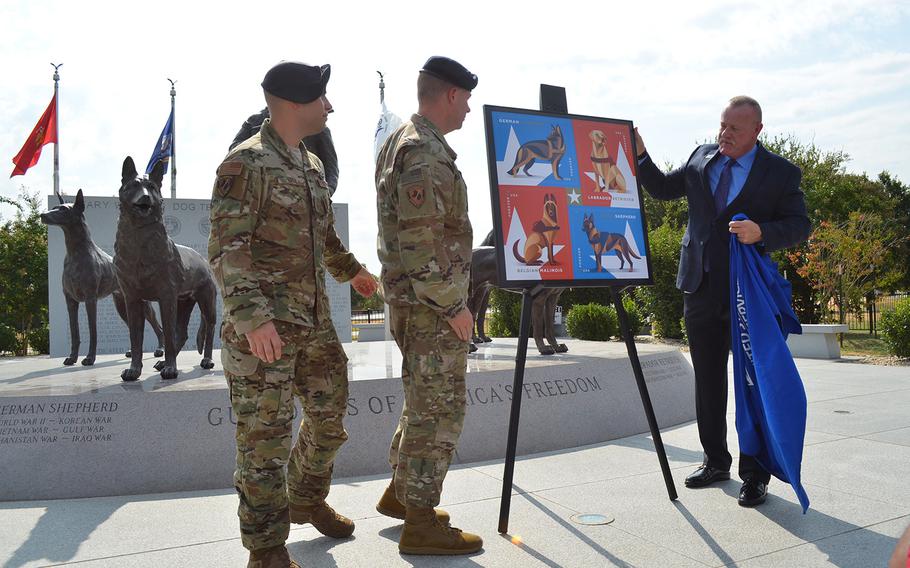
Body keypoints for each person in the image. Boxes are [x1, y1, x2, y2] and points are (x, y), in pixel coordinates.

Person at [208, 61, 378, 568]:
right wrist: (252, 319)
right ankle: (265, 549)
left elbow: (322, 237)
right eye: (323, 98)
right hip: (263, 331)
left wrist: (353, 271)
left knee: (330, 416)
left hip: (313, 322)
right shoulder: (245, 165)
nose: (330, 107)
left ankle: (305, 497)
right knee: (265, 442)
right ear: (295, 104)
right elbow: (225, 250)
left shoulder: (311, 165)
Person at [635, 96, 811, 507]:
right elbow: (662, 188)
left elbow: (800, 225)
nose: (724, 135)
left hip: (745, 293)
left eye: (734, 128)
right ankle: (715, 460)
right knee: (708, 379)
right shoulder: (702, 157)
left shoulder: (781, 173)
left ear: (757, 131)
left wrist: (761, 231)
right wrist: (641, 156)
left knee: (752, 381)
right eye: (722, 125)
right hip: (698, 285)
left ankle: (755, 476)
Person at [374, 56, 481, 555]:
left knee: (421, 400)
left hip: (413, 303)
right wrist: (454, 306)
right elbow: (421, 244)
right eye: (466, 101)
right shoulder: (425, 154)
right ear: (452, 95)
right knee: (439, 410)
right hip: (431, 307)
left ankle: (401, 497)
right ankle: (419, 521)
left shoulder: (404, 141)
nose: (467, 111)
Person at [229, 108, 339, 193]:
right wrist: (260, 149)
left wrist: (324, 194)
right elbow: (234, 150)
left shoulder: (317, 129)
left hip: (302, 196)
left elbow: (331, 168)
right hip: (257, 193)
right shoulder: (254, 122)